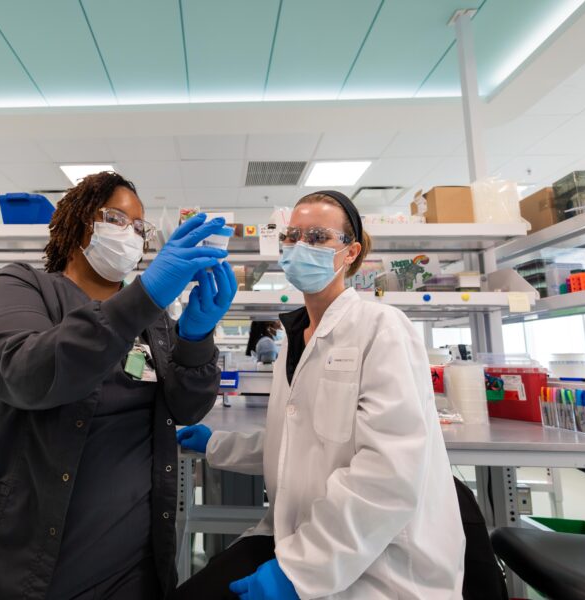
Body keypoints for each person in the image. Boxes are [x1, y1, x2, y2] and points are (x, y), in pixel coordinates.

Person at [0, 172, 238, 599]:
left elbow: (187, 406)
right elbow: (24, 375)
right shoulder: (21, 286)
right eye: (117, 219)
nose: (132, 235)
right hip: (21, 551)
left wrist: (197, 338)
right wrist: (143, 296)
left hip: (129, 558)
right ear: (77, 222)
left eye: (140, 227)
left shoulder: (154, 320)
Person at [173, 190, 465, 599]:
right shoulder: (296, 338)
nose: (298, 246)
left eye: (316, 237)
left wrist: (300, 572)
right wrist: (218, 445)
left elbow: (389, 472)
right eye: (291, 236)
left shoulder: (381, 327)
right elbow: (302, 444)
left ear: (350, 252)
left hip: (378, 565)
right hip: (301, 536)